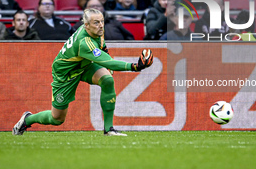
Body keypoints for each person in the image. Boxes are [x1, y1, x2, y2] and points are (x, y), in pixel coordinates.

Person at [12, 8, 152, 136]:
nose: (101, 25)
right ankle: (27, 119)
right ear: (86, 25)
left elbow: (103, 49)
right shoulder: (84, 42)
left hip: (84, 66)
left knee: (107, 80)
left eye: (102, 21)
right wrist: (135, 66)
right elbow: (107, 62)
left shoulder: (97, 31)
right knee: (57, 119)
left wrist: (107, 60)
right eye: (96, 22)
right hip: (66, 74)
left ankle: (109, 129)